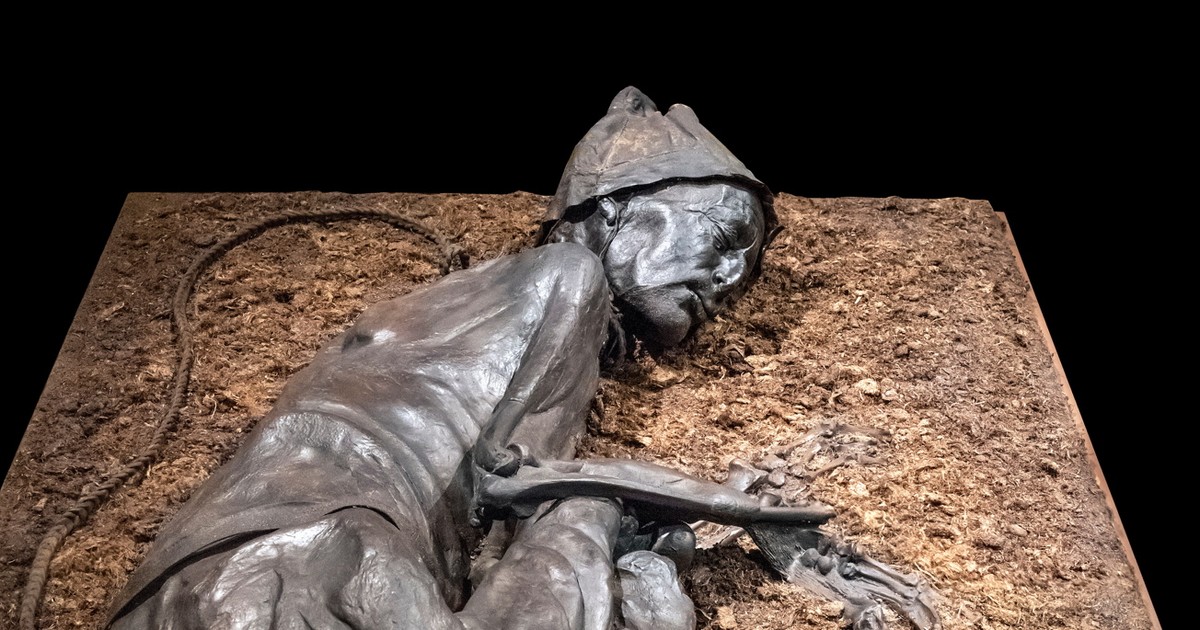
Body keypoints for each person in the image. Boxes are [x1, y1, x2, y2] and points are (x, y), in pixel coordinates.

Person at [108, 87, 822, 630]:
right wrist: (710, 501)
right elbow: (512, 476)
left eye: (745, 273)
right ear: (614, 209)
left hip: (255, 542)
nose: (729, 277)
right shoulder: (566, 273)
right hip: (314, 550)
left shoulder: (485, 299)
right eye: (723, 237)